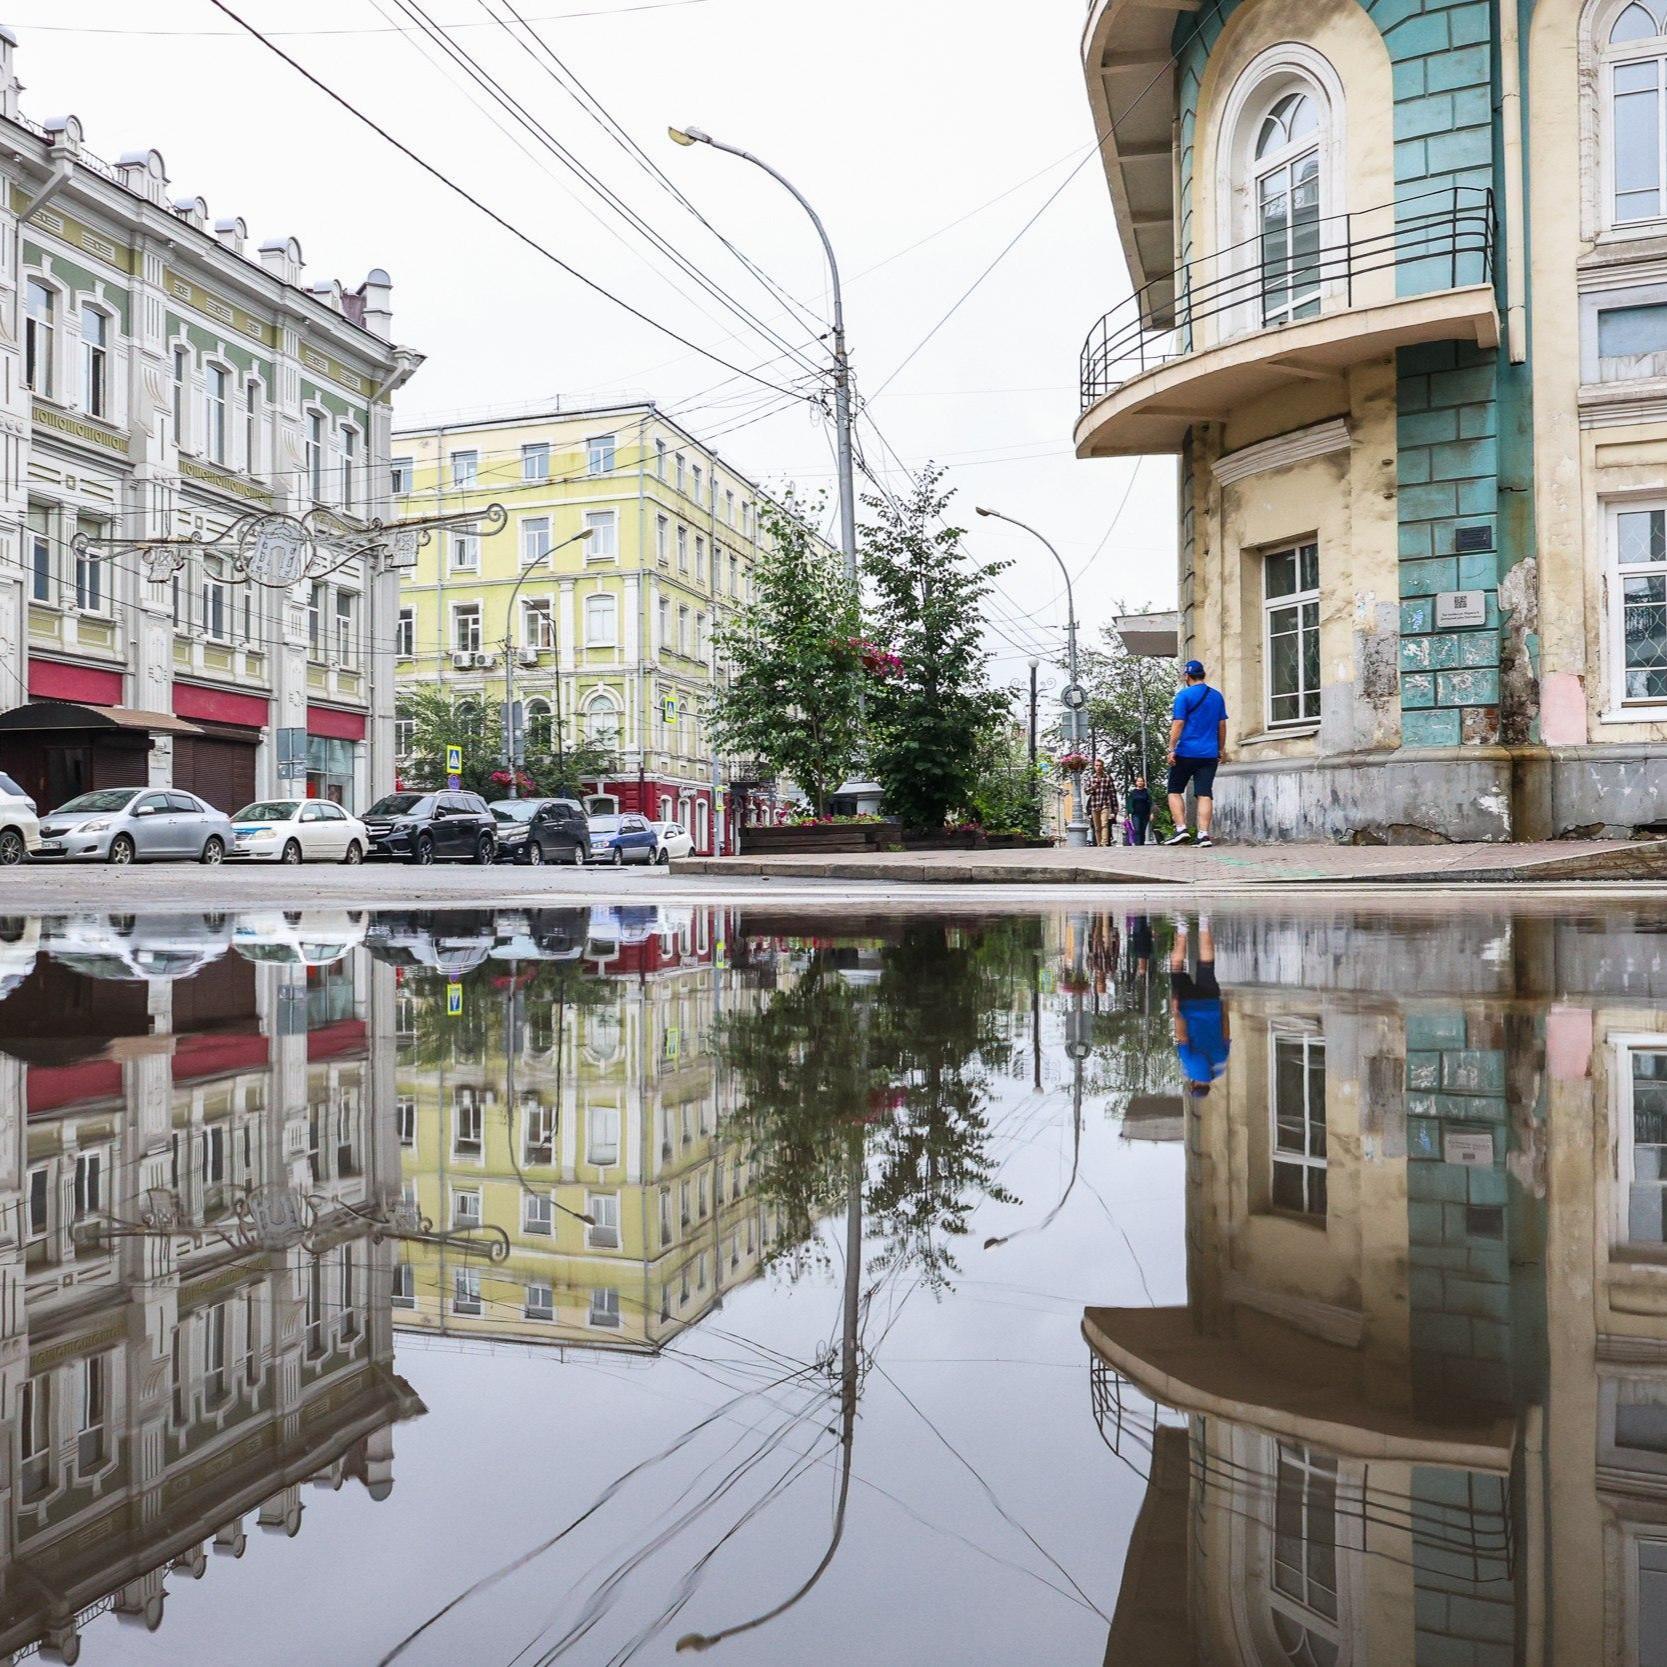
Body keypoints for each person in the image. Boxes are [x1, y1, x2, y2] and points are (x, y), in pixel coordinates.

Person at [1165, 659, 1228, 848]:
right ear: (1203, 675)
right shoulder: (1217, 696)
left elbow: (1178, 723)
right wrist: (1220, 748)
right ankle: (1203, 835)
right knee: (1204, 793)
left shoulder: (1183, 696)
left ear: (1187, 676)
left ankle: (1181, 829)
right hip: (1209, 754)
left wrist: (1171, 748)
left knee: (1174, 790)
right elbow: (1222, 725)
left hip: (1186, 752)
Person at [1170, 916, 1229, 1098]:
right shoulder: (1191, 1066)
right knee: (1177, 967)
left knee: (1207, 965)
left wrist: (1223, 1009)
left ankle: (1204, 922)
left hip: (1211, 1005)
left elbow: (1226, 1032)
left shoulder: (1221, 1064)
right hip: (1188, 1006)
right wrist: (1176, 1012)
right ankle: (1182, 928)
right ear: (1194, 1085)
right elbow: (1182, 1037)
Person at [1085, 758, 1118, 847]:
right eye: (1096, 765)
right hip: (1094, 804)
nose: (1098, 767)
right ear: (1094, 767)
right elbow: (1086, 791)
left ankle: (1104, 843)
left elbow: (1113, 793)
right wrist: (1093, 787)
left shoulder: (1107, 778)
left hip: (1105, 804)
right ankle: (1099, 843)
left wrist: (1114, 809)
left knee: (1105, 824)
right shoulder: (1091, 778)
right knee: (1097, 827)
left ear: (1103, 766)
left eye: (1100, 765)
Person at [1126, 776, 1152, 846]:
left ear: (1144, 782)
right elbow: (1129, 803)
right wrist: (1128, 813)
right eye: (1138, 781)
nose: (1140, 782)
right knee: (1137, 829)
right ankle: (1137, 845)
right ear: (1136, 783)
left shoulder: (1147, 792)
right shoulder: (1133, 792)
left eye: (1141, 781)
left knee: (1142, 830)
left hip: (1145, 814)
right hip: (1135, 814)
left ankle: (1141, 845)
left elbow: (1151, 802)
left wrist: (1151, 813)